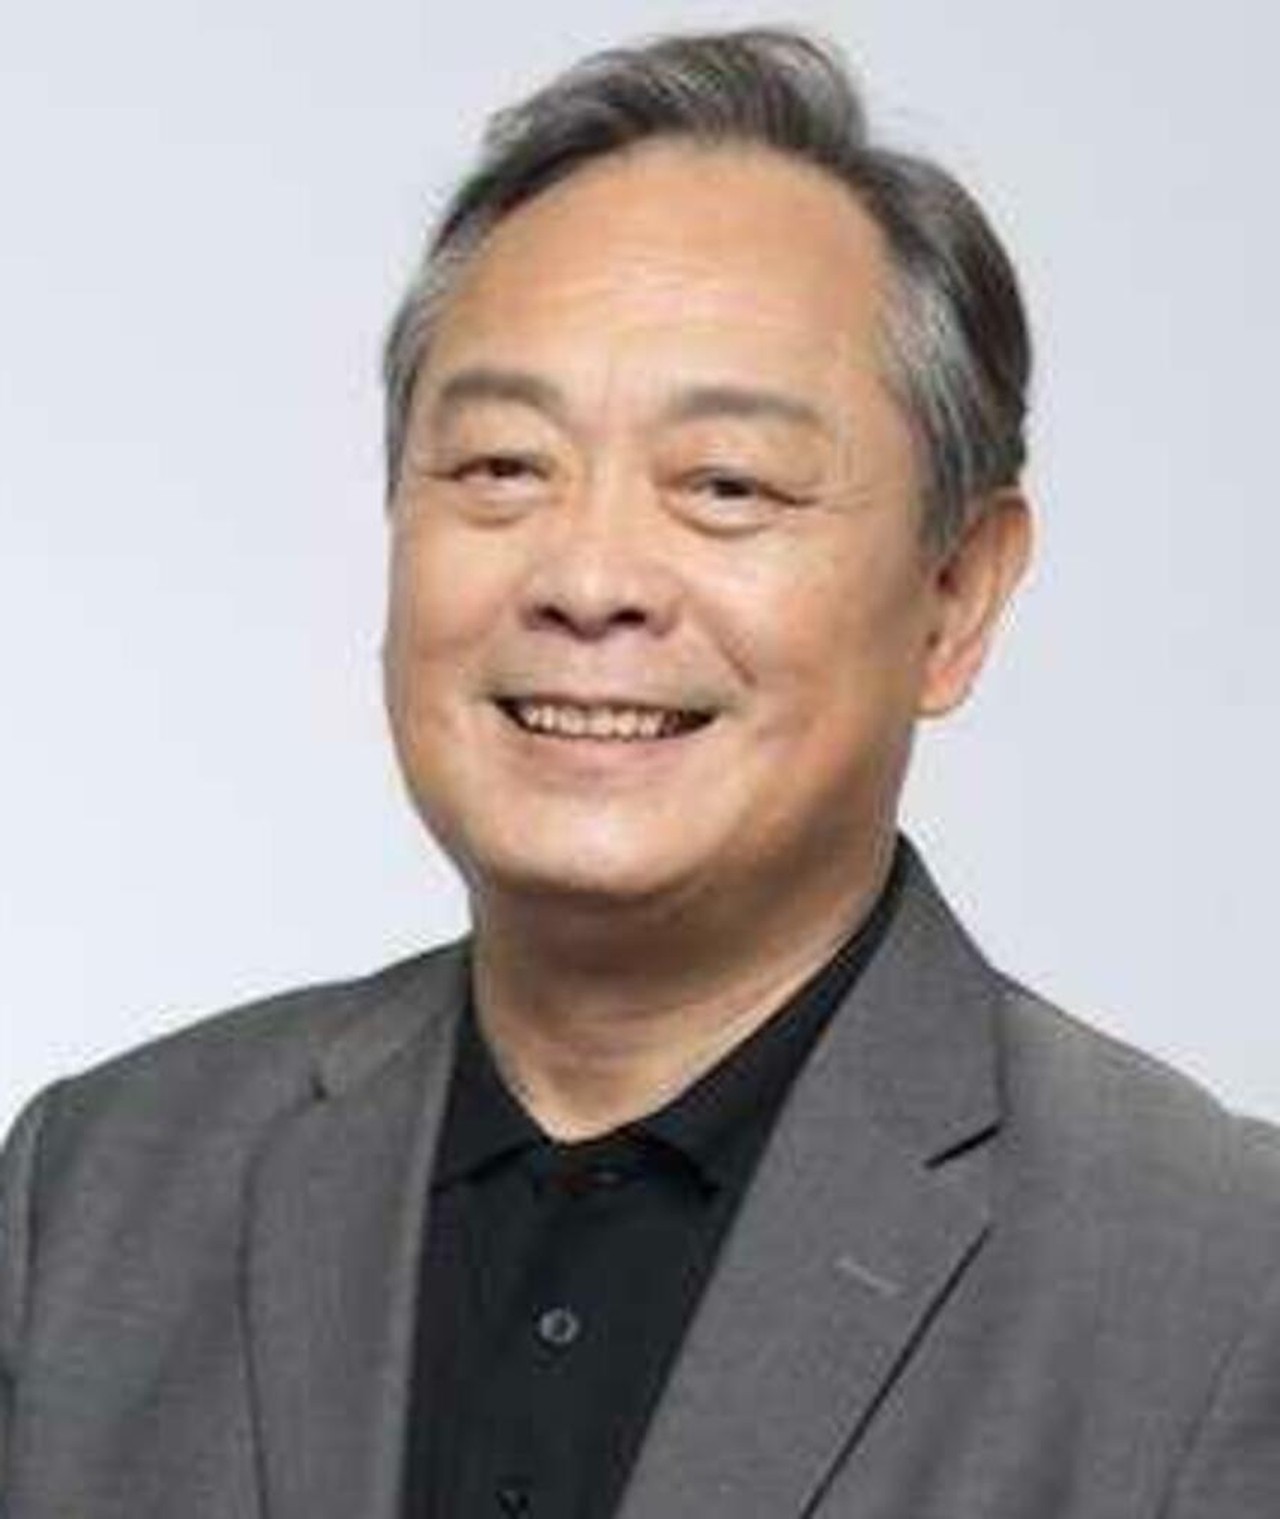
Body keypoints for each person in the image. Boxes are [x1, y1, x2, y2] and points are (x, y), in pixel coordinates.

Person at [2, 25, 1277, 1518]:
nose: (590, 578)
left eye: (726, 485)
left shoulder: (1213, 1289)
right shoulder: (98, 1193)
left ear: (956, 595)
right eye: (501, 468)